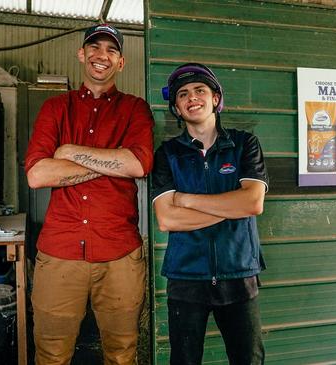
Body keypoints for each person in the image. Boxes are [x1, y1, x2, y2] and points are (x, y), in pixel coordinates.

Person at [25, 23, 154, 365]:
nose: (102, 56)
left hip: (119, 253)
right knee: (51, 354)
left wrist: (67, 152)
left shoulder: (135, 109)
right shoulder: (55, 109)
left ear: (121, 63)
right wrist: (113, 161)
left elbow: (139, 164)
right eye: (95, 48)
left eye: (112, 50)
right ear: (82, 54)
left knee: (122, 353)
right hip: (60, 252)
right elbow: (38, 174)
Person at [151, 63, 268, 365]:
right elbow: (167, 219)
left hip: (239, 271)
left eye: (200, 90)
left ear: (215, 98)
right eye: (183, 94)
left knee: (249, 360)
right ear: (176, 107)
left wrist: (186, 199)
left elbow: (253, 203)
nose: (192, 98)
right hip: (186, 276)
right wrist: (231, 207)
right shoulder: (167, 155)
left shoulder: (244, 145)